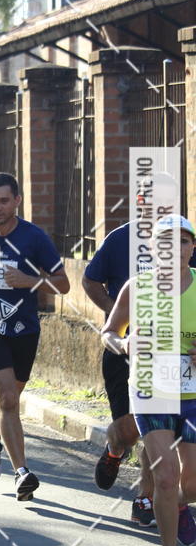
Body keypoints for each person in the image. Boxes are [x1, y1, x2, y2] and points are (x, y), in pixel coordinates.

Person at [83, 179, 194, 525]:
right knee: (129, 428)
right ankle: (115, 448)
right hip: (129, 352)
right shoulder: (119, 239)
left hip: (180, 364)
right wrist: (122, 322)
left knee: (155, 433)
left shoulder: (184, 241)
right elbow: (90, 280)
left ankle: (148, 498)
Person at [101, 215, 196, 546]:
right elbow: (108, 331)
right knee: (166, 477)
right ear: (154, 250)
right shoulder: (136, 288)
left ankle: (179, 504)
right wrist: (124, 344)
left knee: (189, 483)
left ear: (193, 248)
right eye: (166, 243)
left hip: (192, 394)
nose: (176, 250)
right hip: (150, 391)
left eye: (184, 242)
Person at [0, 172, 70, 501]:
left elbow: (63, 284)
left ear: (17, 201)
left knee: (10, 396)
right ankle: (22, 472)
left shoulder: (33, 237)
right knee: (10, 399)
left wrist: (30, 281)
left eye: (3, 201)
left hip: (25, 328)